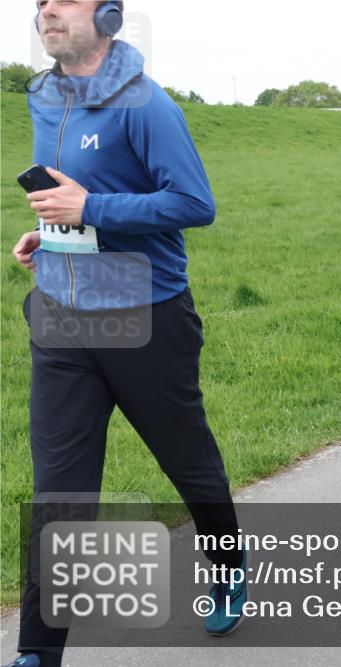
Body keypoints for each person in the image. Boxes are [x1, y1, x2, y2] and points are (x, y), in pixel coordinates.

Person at [8, 3, 246, 665]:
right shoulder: (41, 96)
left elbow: (195, 203)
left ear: (109, 14)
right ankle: (37, 650)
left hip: (147, 319)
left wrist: (91, 208)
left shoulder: (147, 106)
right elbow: (71, 193)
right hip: (59, 317)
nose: (46, 10)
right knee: (61, 490)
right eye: (38, 3)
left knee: (188, 464)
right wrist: (51, 234)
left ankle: (228, 564)